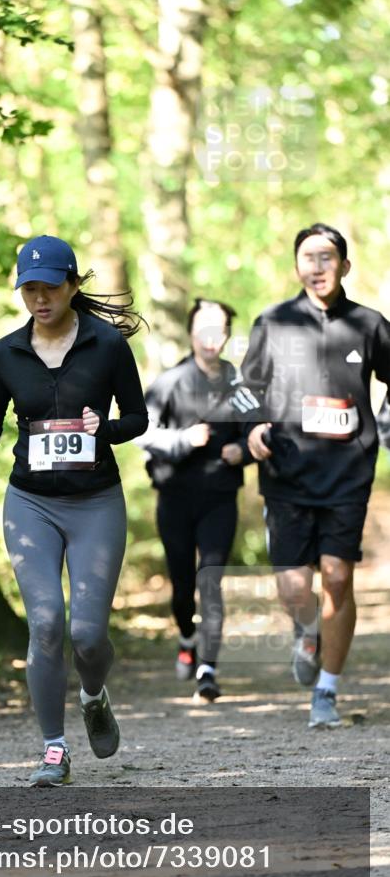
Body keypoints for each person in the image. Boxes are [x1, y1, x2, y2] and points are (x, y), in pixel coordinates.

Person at [0, 235, 148, 786]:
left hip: (95, 504)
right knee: (46, 624)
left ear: (71, 285)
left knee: (88, 636)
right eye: (29, 289)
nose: (39, 299)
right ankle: (53, 748)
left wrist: (103, 430)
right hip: (31, 505)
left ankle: (93, 695)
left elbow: (136, 419)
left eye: (49, 287)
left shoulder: (108, 346)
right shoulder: (5, 353)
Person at [234, 223, 390, 728]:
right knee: (294, 589)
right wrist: (251, 428)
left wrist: (384, 429)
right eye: (308, 257)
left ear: (345, 266)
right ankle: (307, 633)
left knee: (339, 579)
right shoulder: (274, 322)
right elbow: (245, 390)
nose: (318, 266)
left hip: (349, 471)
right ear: (297, 265)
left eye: (328, 257)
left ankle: (326, 690)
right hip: (286, 472)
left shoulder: (369, 324)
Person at [135, 299, 253, 702]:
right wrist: (184, 440)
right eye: (203, 327)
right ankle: (187, 637)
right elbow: (143, 433)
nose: (210, 337)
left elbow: (258, 433)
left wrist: (244, 450)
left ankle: (208, 670)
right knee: (183, 586)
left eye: (219, 329)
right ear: (190, 332)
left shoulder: (240, 385)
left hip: (220, 497)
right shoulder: (170, 381)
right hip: (175, 498)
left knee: (212, 580)